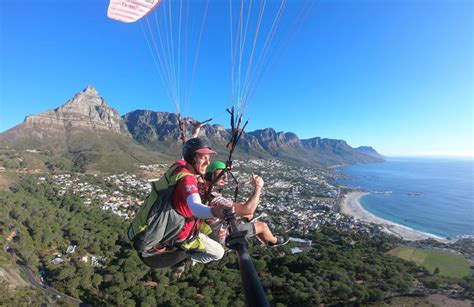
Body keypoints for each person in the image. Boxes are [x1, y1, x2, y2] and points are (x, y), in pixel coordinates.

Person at [170, 138, 233, 279]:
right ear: (192, 158)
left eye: (209, 158)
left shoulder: (178, 168)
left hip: (174, 224)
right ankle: (186, 258)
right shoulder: (188, 179)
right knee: (219, 253)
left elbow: (183, 155)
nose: (208, 162)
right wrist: (213, 211)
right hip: (183, 234)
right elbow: (195, 207)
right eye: (203, 157)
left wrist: (195, 134)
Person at [204, 161, 289, 247]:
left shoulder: (204, 189)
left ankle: (251, 219)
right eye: (222, 176)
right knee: (262, 226)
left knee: (247, 213)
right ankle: (274, 241)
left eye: (226, 176)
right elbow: (247, 210)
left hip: (214, 226)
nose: (226, 180)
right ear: (211, 175)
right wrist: (258, 187)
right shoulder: (214, 198)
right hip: (220, 234)